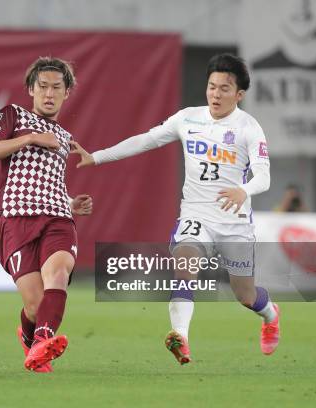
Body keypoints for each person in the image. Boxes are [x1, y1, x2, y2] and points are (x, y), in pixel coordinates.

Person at [71, 54, 280, 364]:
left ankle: (271, 315)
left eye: (225, 89)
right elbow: (147, 140)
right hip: (195, 215)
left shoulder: (249, 128)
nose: (216, 94)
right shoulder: (188, 118)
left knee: (245, 296)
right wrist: (98, 156)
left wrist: (243, 189)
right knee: (185, 263)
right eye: (212, 87)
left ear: (239, 94)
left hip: (235, 223)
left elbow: (264, 176)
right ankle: (180, 336)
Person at [0, 57, 93, 372]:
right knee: (34, 304)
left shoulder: (65, 137)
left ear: (67, 93)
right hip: (14, 218)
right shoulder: (12, 115)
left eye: (57, 87)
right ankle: (32, 337)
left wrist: (70, 204)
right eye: (43, 86)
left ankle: (43, 340)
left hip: (57, 218)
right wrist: (29, 138)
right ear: (31, 88)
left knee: (58, 275)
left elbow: (47, 182)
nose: (49, 93)